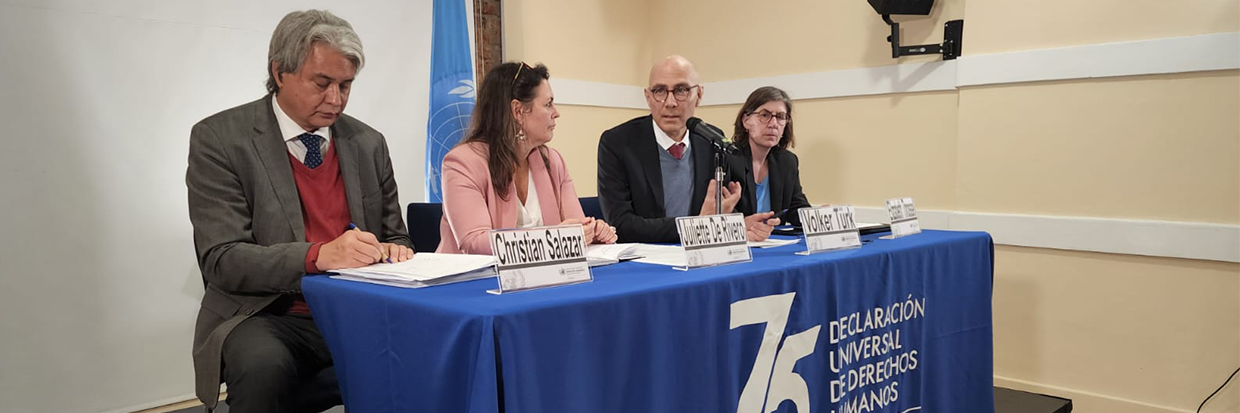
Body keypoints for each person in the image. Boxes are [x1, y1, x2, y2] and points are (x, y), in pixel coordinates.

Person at [185, 10, 413, 412]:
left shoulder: (368, 142)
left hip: (355, 309)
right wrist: (318, 256)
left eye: (346, 85)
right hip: (266, 312)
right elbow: (222, 259)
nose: (336, 99)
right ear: (280, 72)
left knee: (437, 348)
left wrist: (396, 250)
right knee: (262, 368)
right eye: (322, 83)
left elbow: (396, 235)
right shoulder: (220, 139)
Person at [437, 62, 618, 254]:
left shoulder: (553, 161)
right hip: (473, 281)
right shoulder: (461, 162)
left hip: (542, 280)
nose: (556, 113)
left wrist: (591, 232)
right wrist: (555, 237)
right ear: (518, 111)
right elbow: (473, 242)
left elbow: (574, 229)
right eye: (548, 104)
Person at [597, 55, 777, 243]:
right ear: (648, 97)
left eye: (681, 90)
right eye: (659, 91)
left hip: (701, 253)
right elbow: (621, 225)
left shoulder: (712, 139)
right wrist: (697, 225)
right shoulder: (618, 142)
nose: (670, 102)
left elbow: (717, 211)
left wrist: (741, 224)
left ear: (698, 95)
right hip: (645, 260)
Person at [732, 86, 811, 225]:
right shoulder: (728, 159)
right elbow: (719, 212)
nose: (773, 124)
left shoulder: (787, 162)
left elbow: (796, 208)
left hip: (773, 243)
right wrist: (742, 224)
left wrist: (817, 216)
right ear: (746, 121)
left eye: (780, 117)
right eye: (764, 115)